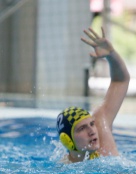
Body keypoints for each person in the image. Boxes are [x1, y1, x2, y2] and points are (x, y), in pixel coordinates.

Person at [56, 27, 130, 163]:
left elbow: (121, 81)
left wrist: (111, 55)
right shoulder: (63, 173)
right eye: (82, 128)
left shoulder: (101, 132)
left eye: (91, 124)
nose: (92, 131)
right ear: (68, 140)